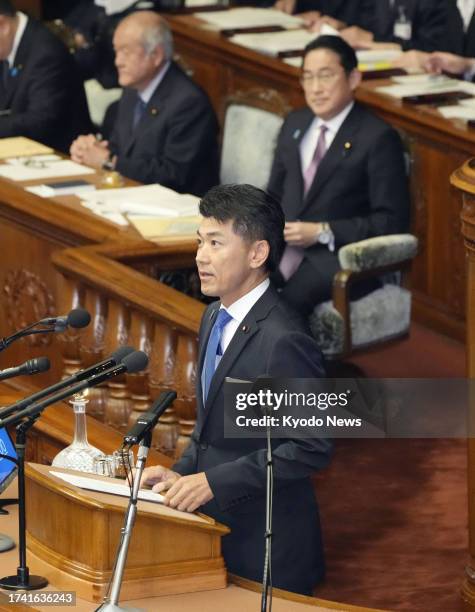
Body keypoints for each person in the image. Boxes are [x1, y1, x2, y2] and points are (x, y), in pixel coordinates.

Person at [141, 184, 332, 595]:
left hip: (268, 546)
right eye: (199, 242)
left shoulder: (284, 339)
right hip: (216, 532)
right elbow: (210, 429)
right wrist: (180, 474)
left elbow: (311, 445)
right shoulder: (214, 316)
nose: (200, 256)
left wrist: (214, 482)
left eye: (215, 243)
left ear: (257, 253)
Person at [267, 35, 409, 315]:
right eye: (307, 78)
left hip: (337, 256)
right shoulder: (295, 123)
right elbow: (274, 193)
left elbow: (391, 221)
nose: (315, 89)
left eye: (326, 76)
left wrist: (323, 232)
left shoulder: (378, 138)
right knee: (232, 282)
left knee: (283, 306)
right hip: (282, 246)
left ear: (353, 78)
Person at [70, 11, 219, 196]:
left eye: (126, 52)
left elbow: (173, 175)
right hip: (133, 195)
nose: (117, 62)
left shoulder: (189, 103)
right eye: (116, 51)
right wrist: (92, 148)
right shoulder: (133, 89)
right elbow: (120, 147)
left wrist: (109, 161)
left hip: (178, 208)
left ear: (156, 55)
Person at [0, 0, 91, 152]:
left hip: (60, 156)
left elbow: (41, 121)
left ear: (3, 26)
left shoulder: (45, 52)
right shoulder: (8, 45)